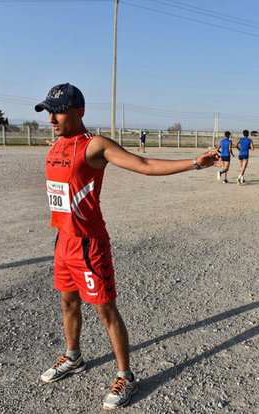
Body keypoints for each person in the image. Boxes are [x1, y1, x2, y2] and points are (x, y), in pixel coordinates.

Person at [35, 83, 219, 410]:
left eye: (58, 111)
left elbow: (144, 164)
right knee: (67, 303)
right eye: (48, 111)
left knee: (105, 311)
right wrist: (61, 143)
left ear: (79, 111)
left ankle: (126, 376)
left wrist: (193, 163)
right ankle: (74, 356)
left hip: (89, 246)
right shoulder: (58, 144)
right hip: (62, 241)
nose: (51, 118)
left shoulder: (96, 146)